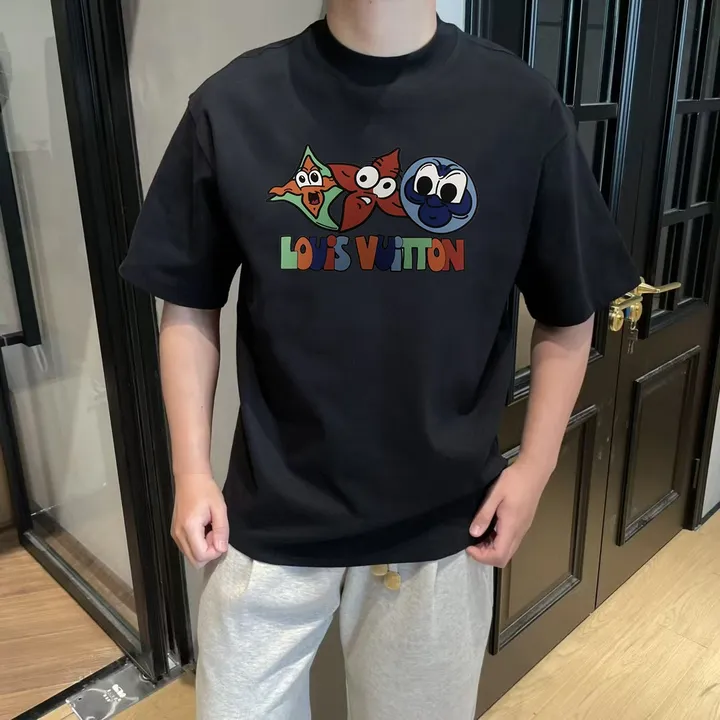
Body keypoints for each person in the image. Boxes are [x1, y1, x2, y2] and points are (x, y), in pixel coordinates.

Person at [120, 1, 638, 718]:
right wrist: (190, 470)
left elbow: (569, 309)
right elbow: (187, 301)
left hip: (442, 523)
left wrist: (535, 468)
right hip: (267, 515)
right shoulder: (233, 104)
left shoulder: (519, 108)